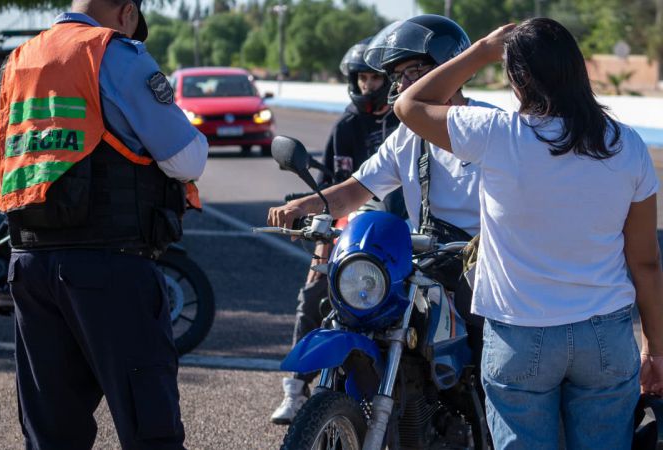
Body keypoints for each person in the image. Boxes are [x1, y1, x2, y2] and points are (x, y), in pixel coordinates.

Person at [393, 17, 663, 450]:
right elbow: (645, 262)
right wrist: (656, 348)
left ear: (517, 79)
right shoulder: (627, 145)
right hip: (605, 337)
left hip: (519, 334)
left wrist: (482, 49)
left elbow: (409, 105)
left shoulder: (496, 134)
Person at [0, 0, 208, 448]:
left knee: (51, 433)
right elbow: (187, 158)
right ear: (127, 11)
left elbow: (5, 159)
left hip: (30, 263)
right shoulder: (114, 54)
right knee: (151, 429)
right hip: (110, 264)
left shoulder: (14, 64)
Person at [268, 14, 494, 410]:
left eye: (414, 71)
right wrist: (301, 206)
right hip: (429, 265)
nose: (403, 85)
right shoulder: (407, 137)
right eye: (398, 76)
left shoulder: (493, 126)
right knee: (361, 314)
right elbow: (355, 191)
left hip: (486, 273)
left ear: (449, 69)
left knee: (492, 371)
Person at [270, 36, 404, 425]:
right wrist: (320, 248)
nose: (368, 86)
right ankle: (296, 390)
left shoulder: (406, 123)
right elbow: (332, 187)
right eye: (361, 78)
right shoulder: (346, 125)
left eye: (374, 78)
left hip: (401, 236)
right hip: (353, 233)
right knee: (313, 292)